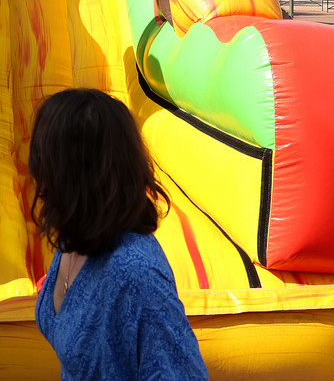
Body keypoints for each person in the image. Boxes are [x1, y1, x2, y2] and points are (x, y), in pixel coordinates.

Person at [28, 88, 208, 381]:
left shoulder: (134, 273)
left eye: (43, 153)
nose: (34, 166)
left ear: (73, 171)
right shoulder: (76, 236)